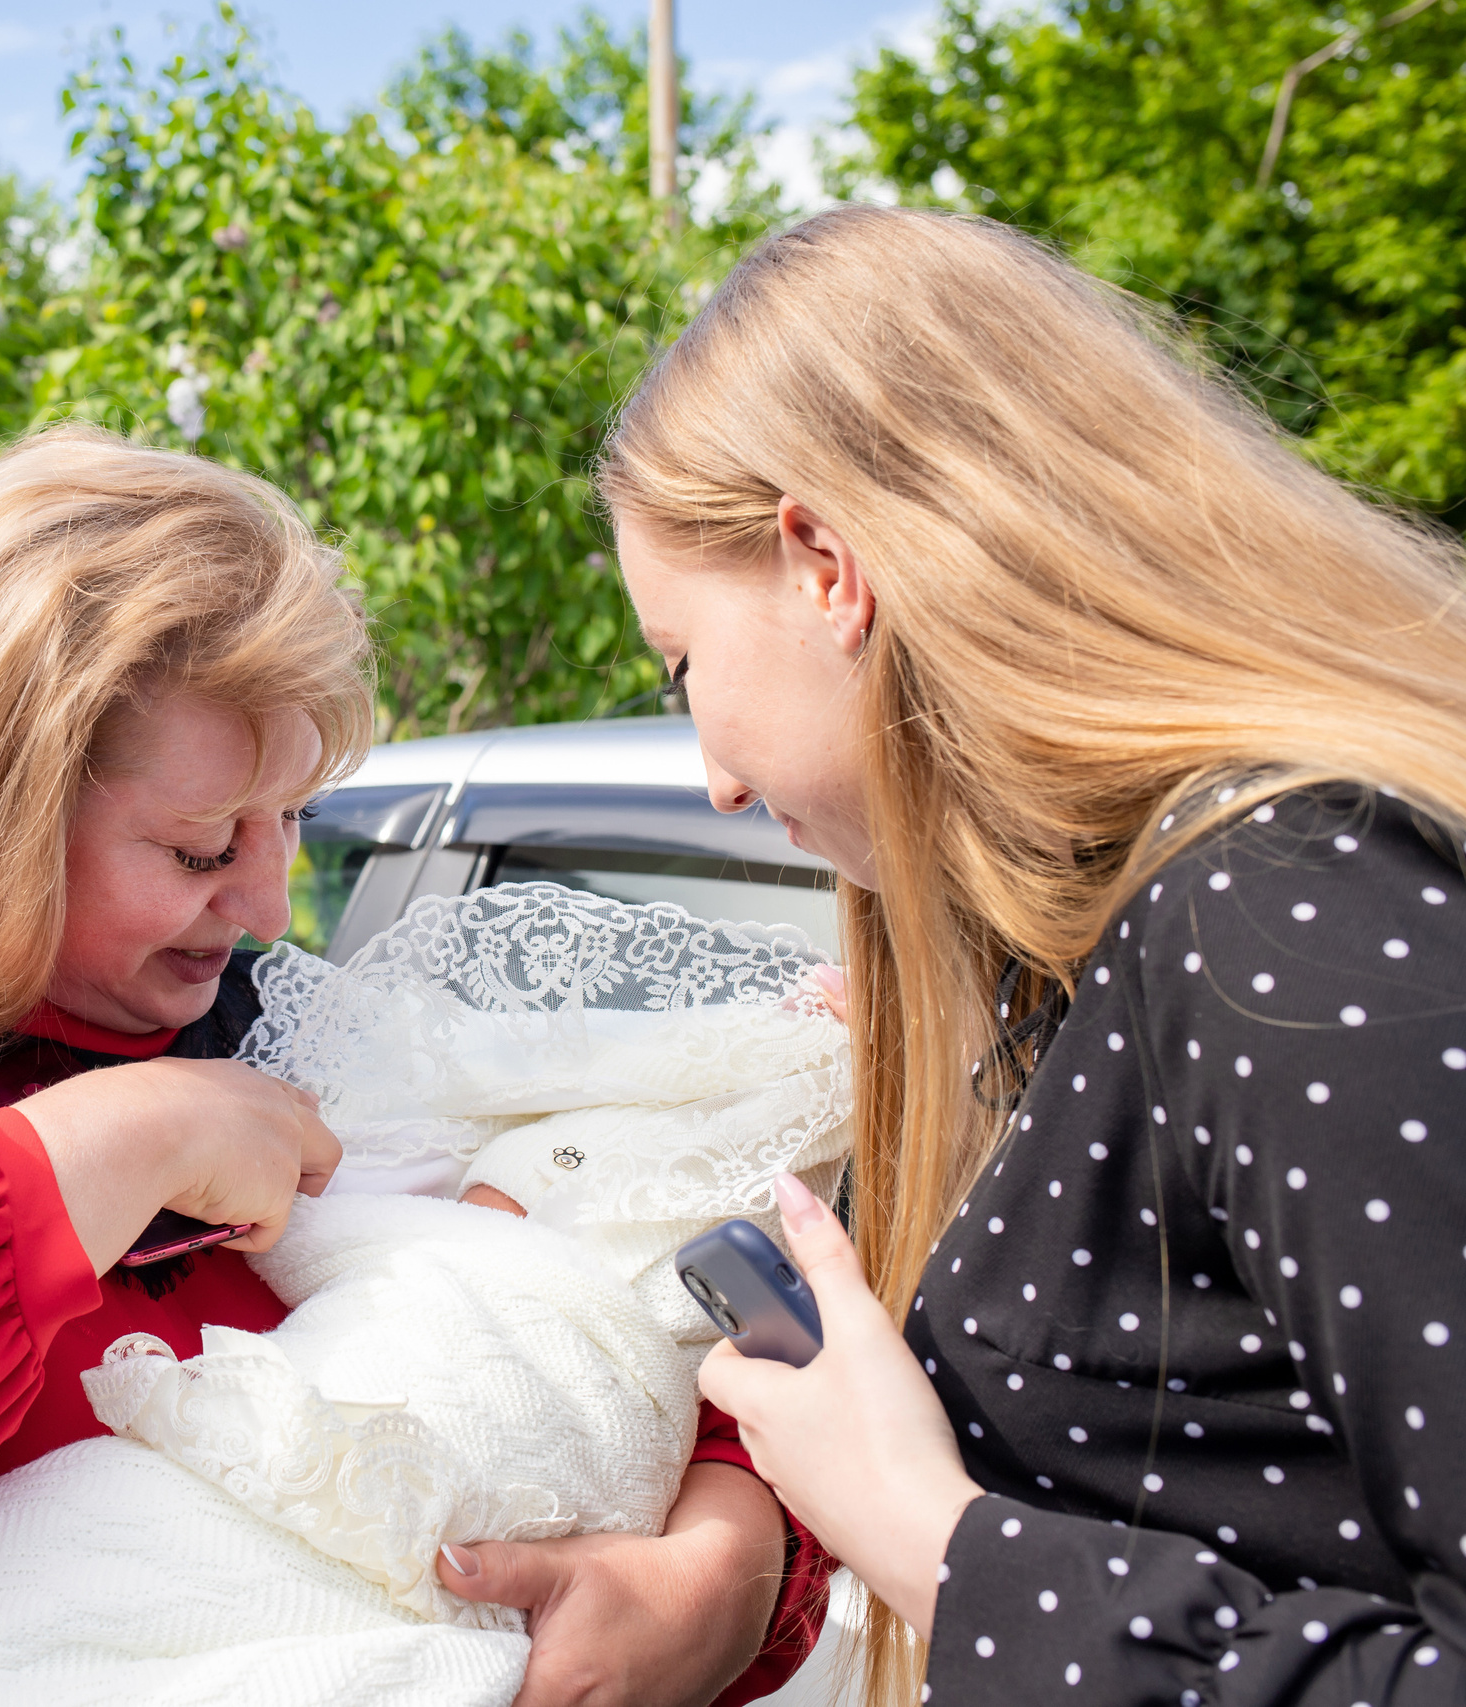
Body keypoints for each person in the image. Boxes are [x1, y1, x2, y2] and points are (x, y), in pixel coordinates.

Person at [0, 424, 833, 1707]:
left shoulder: (273, 1017)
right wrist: (113, 1145)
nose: (269, 909)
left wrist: (724, 1568)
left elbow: (607, 1291)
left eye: (290, 826)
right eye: (205, 849)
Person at [509, 203, 1466, 1707]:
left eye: (686, 667)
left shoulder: (1279, 915)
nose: (718, 778)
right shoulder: (1133, 947)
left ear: (825, 565)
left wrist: (934, 1542)